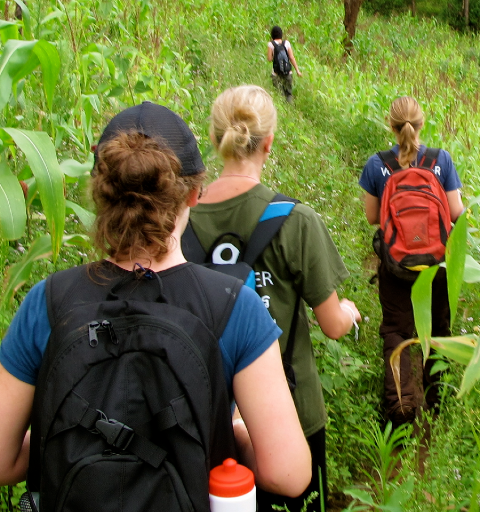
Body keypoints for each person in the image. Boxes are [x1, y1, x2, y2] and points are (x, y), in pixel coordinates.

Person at [0, 102, 311, 507]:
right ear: (195, 193)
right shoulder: (235, 308)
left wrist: (66, 436)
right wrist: (234, 435)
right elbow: (288, 474)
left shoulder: (49, 302)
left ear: (99, 191)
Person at [186, 85, 360, 512]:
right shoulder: (294, 220)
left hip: (202, 415)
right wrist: (351, 313)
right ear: (269, 143)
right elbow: (333, 325)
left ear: (214, 139)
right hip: (290, 416)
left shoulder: (180, 220)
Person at [359, 96, 464, 427]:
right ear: (422, 124)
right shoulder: (440, 160)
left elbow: (373, 217)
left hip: (396, 266)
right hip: (437, 265)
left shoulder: (376, 165)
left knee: (397, 331)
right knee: (439, 332)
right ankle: (438, 406)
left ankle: (401, 410)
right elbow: (458, 213)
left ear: (390, 125)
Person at [266, 25, 302, 101]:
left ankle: (282, 110)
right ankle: (290, 109)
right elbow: (291, 58)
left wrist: (274, 56)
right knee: (289, 94)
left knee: (279, 94)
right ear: (281, 34)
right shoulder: (286, 43)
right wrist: (297, 70)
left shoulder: (271, 44)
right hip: (288, 72)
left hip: (276, 73)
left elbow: (269, 59)